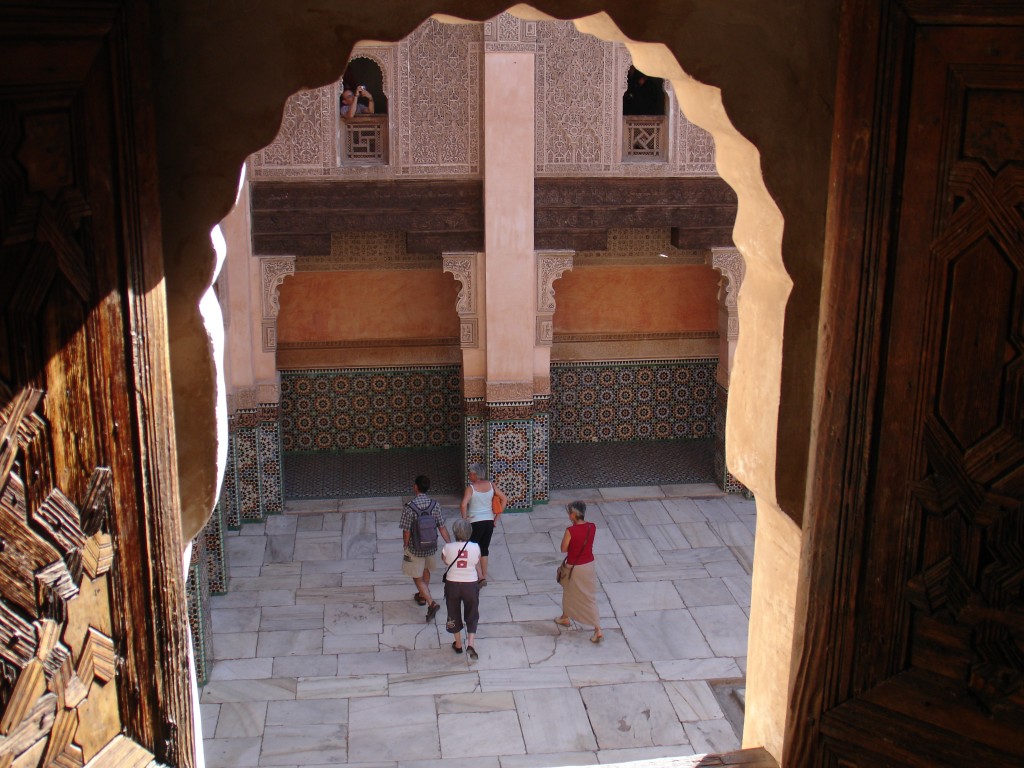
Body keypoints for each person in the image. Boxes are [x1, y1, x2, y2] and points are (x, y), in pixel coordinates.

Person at [400, 475, 450, 622]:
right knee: (426, 569)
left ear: (416, 487)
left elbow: (406, 530)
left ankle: (430, 602)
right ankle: (422, 594)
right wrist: (450, 543)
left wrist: (405, 544)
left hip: (415, 547)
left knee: (416, 575)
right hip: (430, 546)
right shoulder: (435, 505)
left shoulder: (409, 507)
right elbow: (441, 526)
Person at [554, 500, 603, 643]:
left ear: (574, 514)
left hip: (574, 567)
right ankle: (565, 616)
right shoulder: (592, 527)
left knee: (572, 592)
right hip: (589, 565)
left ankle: (598, 628)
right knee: (585, 594)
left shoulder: (571, 531)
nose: (569, 515)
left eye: (569, 512)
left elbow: (563, 549)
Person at [459, 463, 506, 587]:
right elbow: (504, 499)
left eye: (470, 473)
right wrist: (496, 519)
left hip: (475, 522)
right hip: (489, 522)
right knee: (484, 549)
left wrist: (464, 519)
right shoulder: (491, 485)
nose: (469, 475)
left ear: (475, 474)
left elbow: (463, 504)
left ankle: (479, 577)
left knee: (471, 548)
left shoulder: (471, 488)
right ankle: (484, 575)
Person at [440, 518, 482, 660]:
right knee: (472, 613)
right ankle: (471, 644)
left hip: (452, 584)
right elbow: (476, 561)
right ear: (469, 532)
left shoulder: (448, 547)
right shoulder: (475, 547)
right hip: (470, 584)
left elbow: (445, 560)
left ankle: (458, 644)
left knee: (453, 612)